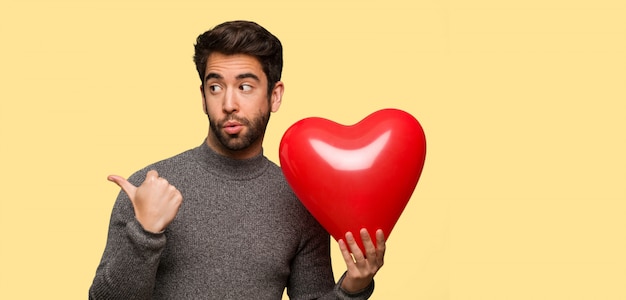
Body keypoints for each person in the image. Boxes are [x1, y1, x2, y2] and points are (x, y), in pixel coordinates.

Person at [89, 20, 386, 299]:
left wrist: (353, 287)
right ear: (203, 98)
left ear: (275, 95)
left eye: (245, 87)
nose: (229, 104)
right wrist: (145, 232)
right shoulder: (149, 188)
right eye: (215, 87)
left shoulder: (300, 199)